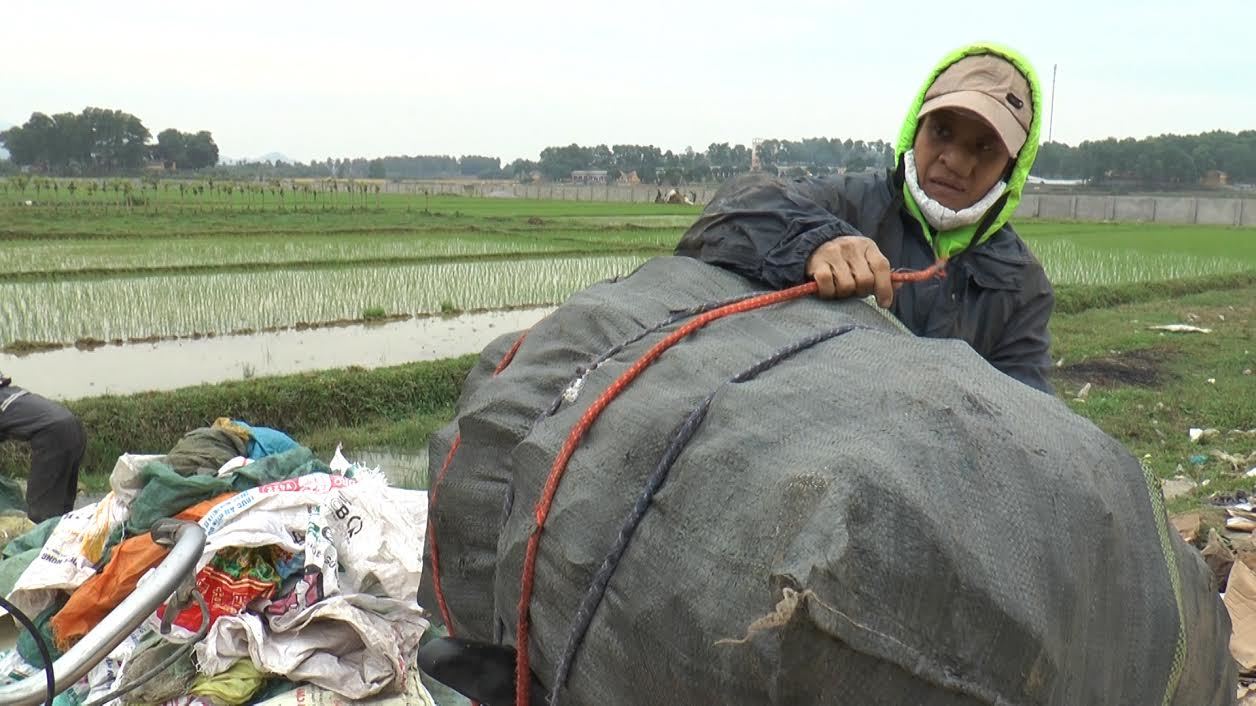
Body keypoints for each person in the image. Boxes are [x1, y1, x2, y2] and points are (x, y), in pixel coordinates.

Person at [677, 43, 1055, 393]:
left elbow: (1023, 407)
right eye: (942, 131)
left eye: (984, 147)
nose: (955, 161)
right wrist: (813, 243)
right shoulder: (843, 204)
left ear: (1011, 168)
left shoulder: (1021, 285)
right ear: (915, 130)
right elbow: (729, 212)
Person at [0, 372, 86, 522]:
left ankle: (44, 543)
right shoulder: (16, 394)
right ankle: (64, 542)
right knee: (63, 509)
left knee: (40, 515)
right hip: (75, 429)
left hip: (53, 439)